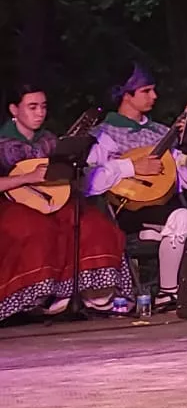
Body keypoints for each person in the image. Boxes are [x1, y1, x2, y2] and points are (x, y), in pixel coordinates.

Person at [85, 65, 187, 311]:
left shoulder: (161, 132)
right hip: (128, 209)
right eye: (146, 91)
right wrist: (131, 168)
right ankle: (167, 292)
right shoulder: (103, 134)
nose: (154, 96)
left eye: (154, 90)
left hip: (165, 205)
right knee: (182, 215)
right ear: (126, 95)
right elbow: (89, 181)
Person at [0, 84, 136, 319]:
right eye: (32, 107)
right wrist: (27, 177)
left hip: (54, 197)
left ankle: (91, 293)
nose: (40, 113)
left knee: (91, 223)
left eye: (43, 106)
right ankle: (35, 299)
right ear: (14, 109)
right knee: (36, 229)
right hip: (13, 203)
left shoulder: (50, 140)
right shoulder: (2, 143)